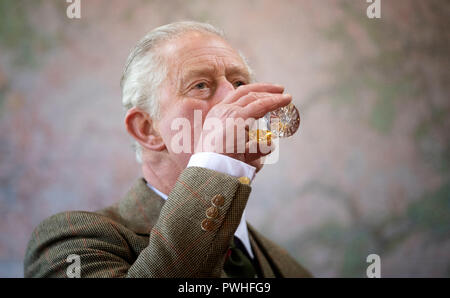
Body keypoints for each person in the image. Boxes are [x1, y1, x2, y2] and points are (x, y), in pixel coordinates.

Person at [24, 21, 312, 278]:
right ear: (147, 129)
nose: (234, 97)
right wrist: (216, 165)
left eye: (239, 83)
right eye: (200, 85)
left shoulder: (290, 268)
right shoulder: (69, 243)